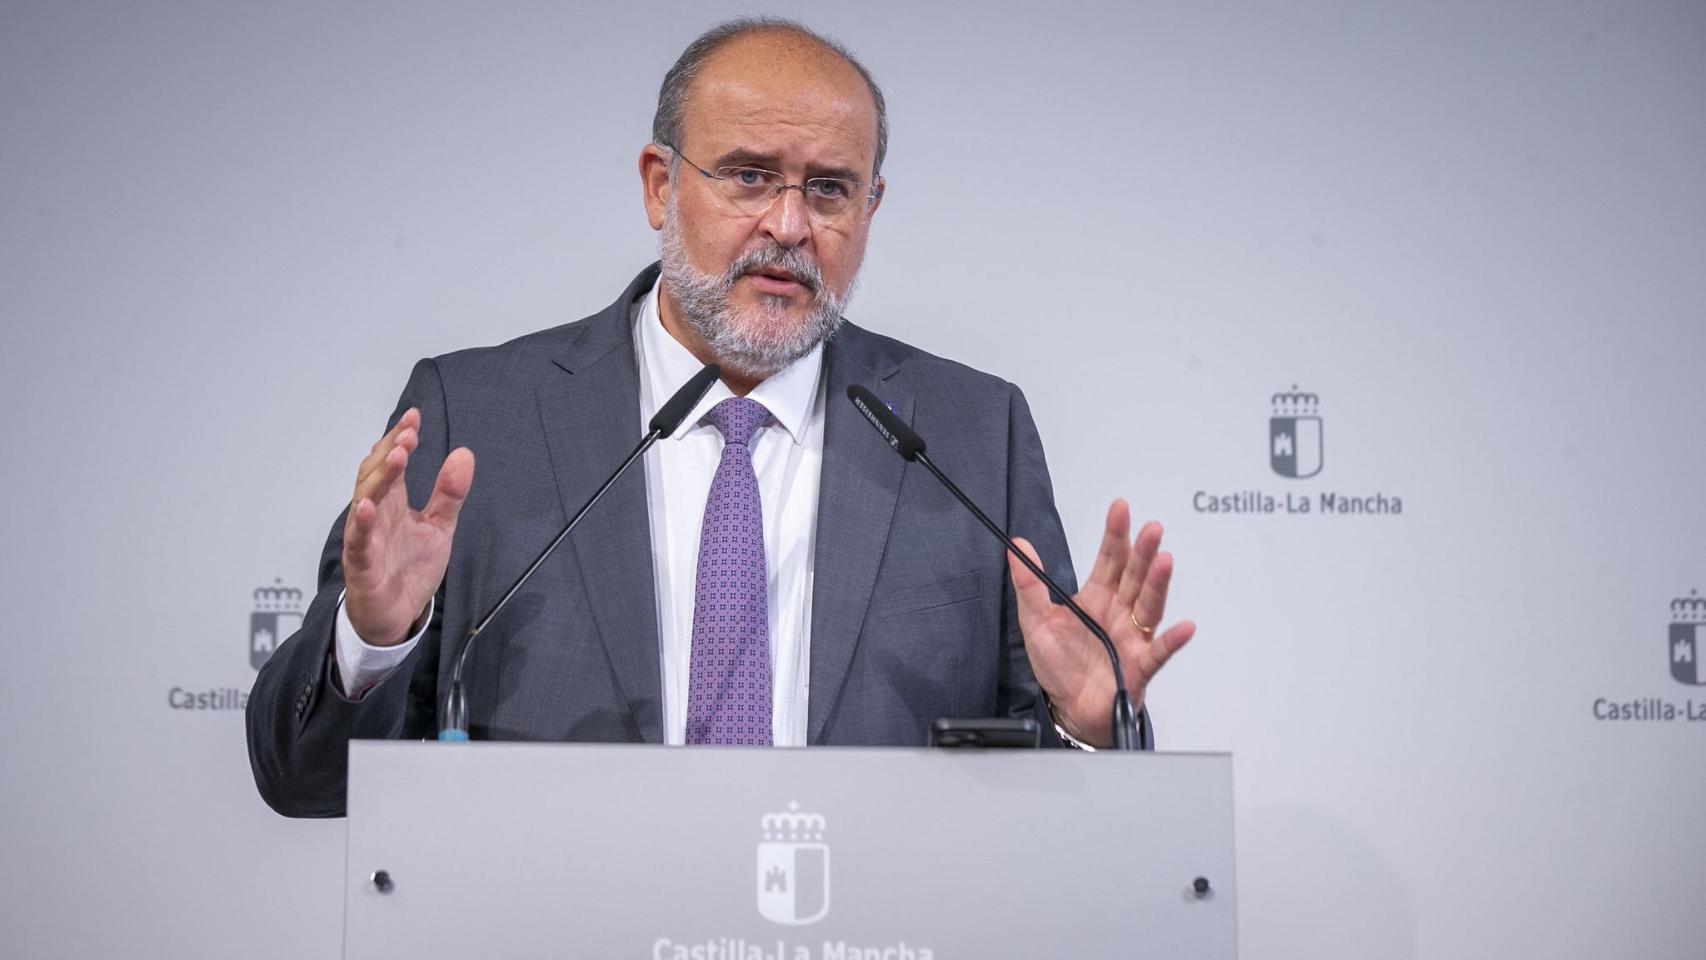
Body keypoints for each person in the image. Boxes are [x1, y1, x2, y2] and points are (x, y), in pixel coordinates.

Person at [247, 17, 1195, 818]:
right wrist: (370, 644)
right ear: (661, 184)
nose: (788, 225)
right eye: (747, 176)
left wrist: (1086, 726)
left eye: (828, 189)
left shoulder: (967, 432)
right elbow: (303, 781)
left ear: (872, 207)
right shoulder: (479, 418)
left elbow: (1065, 822)